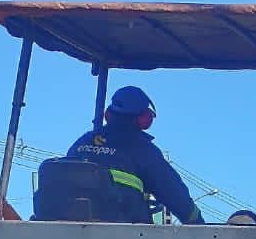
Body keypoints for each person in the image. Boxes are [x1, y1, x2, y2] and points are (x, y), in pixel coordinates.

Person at [63, 86, 202, 224]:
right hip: (125, 233)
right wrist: (197, 222)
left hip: (67, 230)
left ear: (108, 114)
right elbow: (174, 194)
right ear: (144, 119)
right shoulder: (143, 150)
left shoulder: (81, 143)